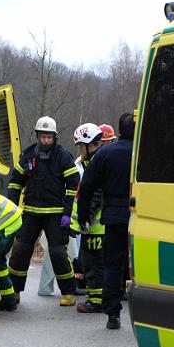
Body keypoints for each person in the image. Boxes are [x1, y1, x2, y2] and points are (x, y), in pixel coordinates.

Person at [7, 116, 80, 306]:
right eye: (43, 137)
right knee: (20, 250)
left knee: (57, 252)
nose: (46, 140)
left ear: (54, 137)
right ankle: (13, 292)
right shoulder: (28, 155)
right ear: (37, 136)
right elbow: (15, 182)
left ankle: (69, 293)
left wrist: (66, 213)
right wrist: (13, 209)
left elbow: (73, 185)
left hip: (55, 214)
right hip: (30, 212)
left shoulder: (63, 156)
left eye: (49, 137)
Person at [77, 113, 134, 330]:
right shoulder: (144, 151)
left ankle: (113, 314)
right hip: (143, 216)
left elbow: (87, 188)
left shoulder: (106, 153)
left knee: (113, 265)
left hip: (115, 216)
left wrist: (83, 217)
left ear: (118, 130)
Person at [70, 123, 105, 314]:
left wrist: (85, 219)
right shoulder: (90, 163)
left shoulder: (96, 164)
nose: (79, 150)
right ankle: (94, 298)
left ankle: (97, 301)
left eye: (80, 146)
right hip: (91, 226)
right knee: (88, 263)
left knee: (94, 265)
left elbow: (96, 195)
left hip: (97, 228)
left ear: (89, 145)